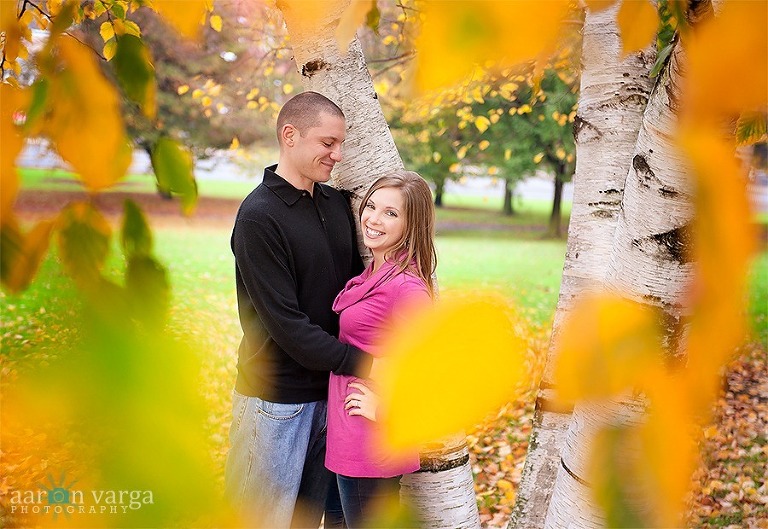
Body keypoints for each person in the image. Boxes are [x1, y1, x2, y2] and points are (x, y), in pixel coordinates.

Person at [225, 91, 374, 528]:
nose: (338, 155)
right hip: (275, 401)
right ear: (290, 135)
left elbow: (351, 292)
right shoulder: (259, 216)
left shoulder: (334, 204)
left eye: (340, 144)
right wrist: (366, 364)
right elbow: (287, 326)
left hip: (330, 396)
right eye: (328, 143)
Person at [325, 171, 437, 528]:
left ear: (411, 224)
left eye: (391, 213)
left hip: (370, 444)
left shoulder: (407, 288)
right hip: (347, 437)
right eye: (371, 206)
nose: (373, 219)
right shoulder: (376, 271)